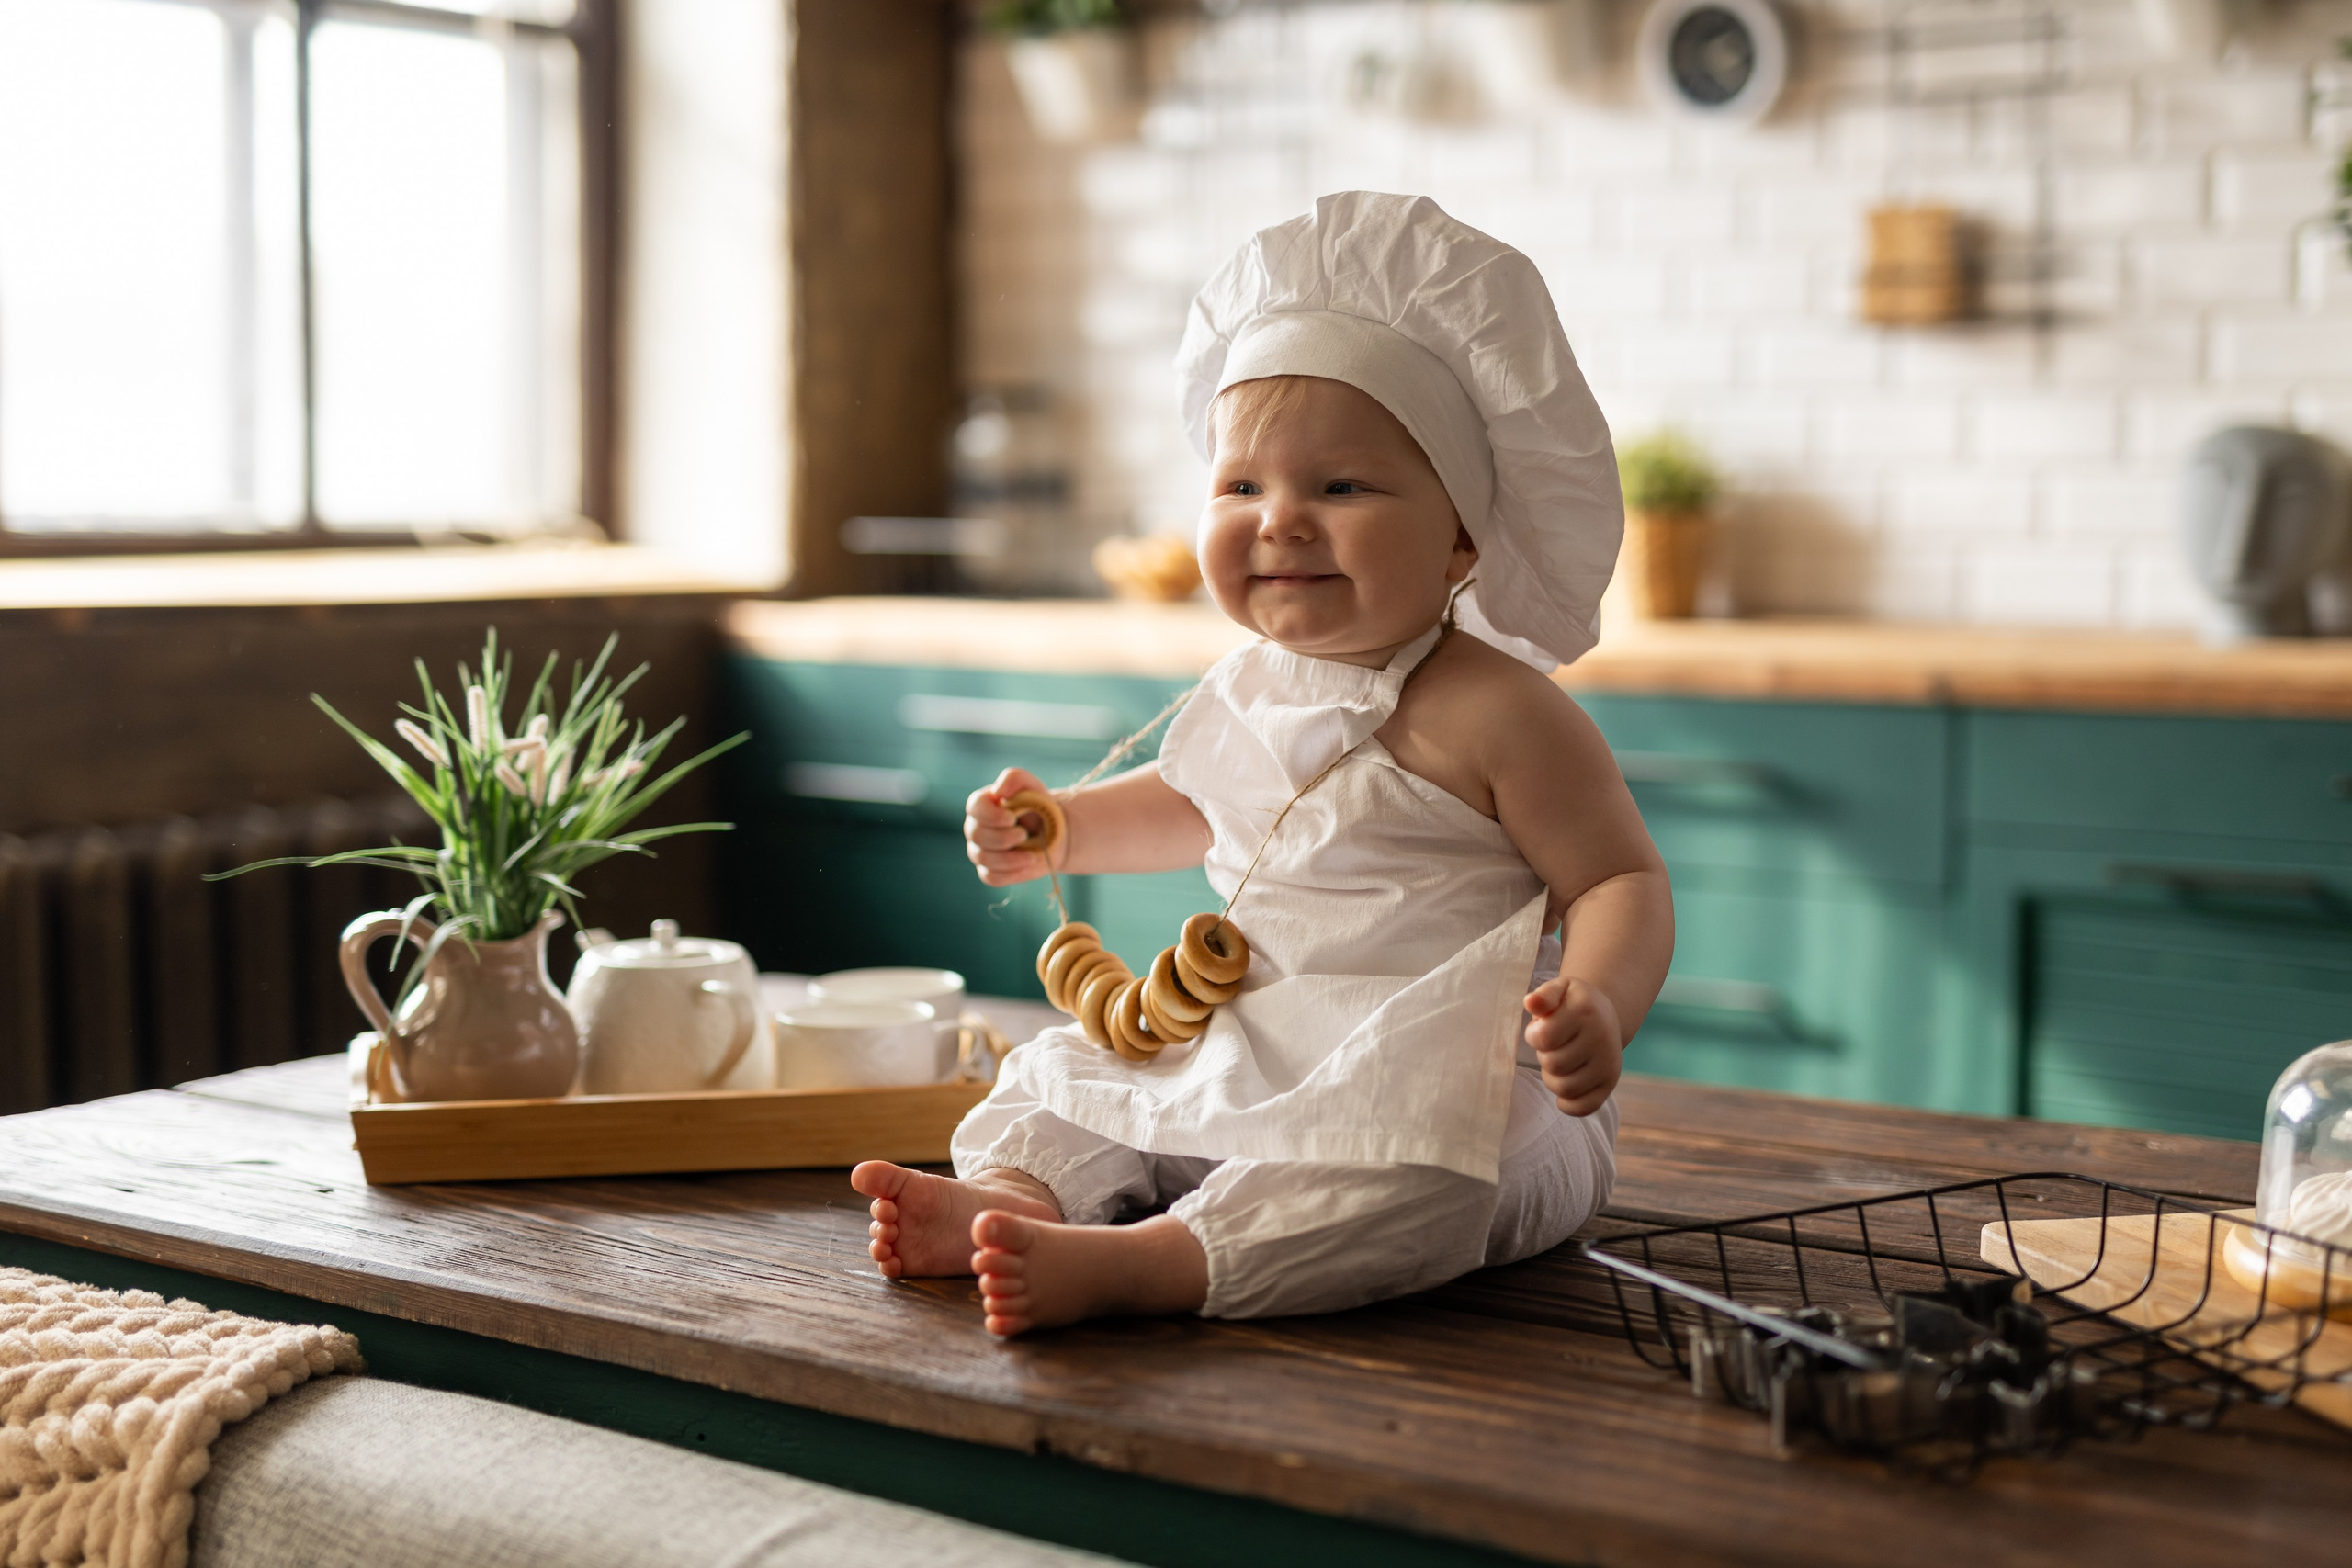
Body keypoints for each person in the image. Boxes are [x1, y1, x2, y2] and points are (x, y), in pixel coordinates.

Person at [851, 192, 1674, 1336]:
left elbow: (1617, 882)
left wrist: (1598, 1001)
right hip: (1246, 1048)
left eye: (1340, 488)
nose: (1278, 519)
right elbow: (1195, 806)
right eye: (1240, 486)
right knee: (1055, 1076)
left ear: (1463, 537)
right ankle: (1009, 1200)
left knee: (1427, 1171)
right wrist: (1069, 826)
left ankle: (1152, 1263)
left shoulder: (1504, 714)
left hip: (1446, 1075)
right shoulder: (1249, 682)